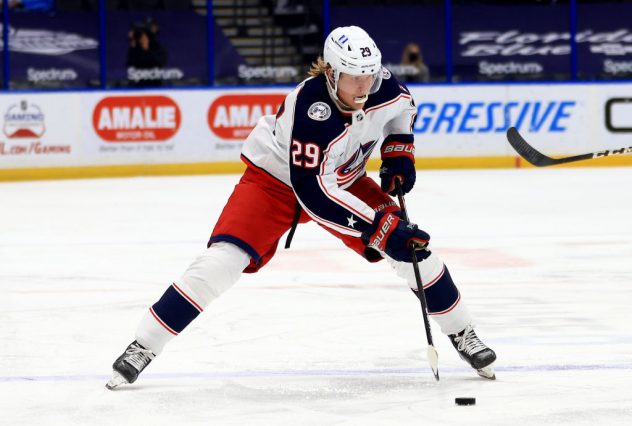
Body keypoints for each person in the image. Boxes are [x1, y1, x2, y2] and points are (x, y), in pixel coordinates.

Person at [106, 25, 497, 390]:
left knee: (414, 251)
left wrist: (399, 154)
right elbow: (314, 193)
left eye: (369, 75)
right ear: (331, 72)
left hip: (341, 177)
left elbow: (402, 111)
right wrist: (382, 230)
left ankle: (463, 330)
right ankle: (144, 345)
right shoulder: (310, 107)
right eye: (353, 76)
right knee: (221, 263)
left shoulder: (383, 86)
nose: (364, 85)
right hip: (277, 184)